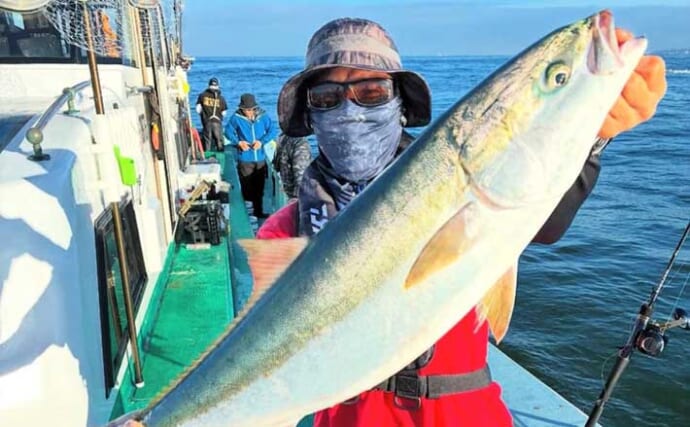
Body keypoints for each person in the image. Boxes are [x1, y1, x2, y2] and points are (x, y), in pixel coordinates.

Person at [257, 18, 667, 427]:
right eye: (327, 98)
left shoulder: (464, 186)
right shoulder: (283, 231)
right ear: (310, 115)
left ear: (400, 104)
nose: (351, 111)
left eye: (371, 92)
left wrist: (593, 136)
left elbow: (543, 220)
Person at [225, 93, 278, 218]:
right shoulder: (236, 118)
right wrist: (238, 142)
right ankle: (246, 210)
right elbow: (228, 132)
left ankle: (258, 211)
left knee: (259, 187)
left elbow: (272, 130)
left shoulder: (263, 117)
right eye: (246, 110)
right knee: (246, 187)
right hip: (245, 158)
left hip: (260, 158)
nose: (249, 112)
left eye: (251, 110)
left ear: (255, 108)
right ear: (242, 109)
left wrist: (262, 142)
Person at [273, 132, 312, 200]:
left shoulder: (300, 144)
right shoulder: (283, 137)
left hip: (296, 198)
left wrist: (297, 199)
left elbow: (301, 177)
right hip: (287, 194)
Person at [195, 77, 228, 152]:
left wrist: (204, 115)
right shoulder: (221, 98)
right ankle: (220, 155)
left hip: (207, 122)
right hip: (217, 122)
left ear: (208, 85)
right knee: (219, 141)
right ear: (218, 86)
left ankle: (207, 155)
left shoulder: (202, 96)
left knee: (207, 140)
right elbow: (224, 113)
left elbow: (198, 110)